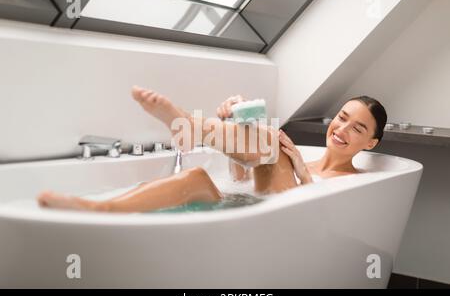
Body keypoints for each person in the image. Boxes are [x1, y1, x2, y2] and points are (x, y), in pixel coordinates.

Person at [37, 87, 386, 213]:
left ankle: (194, 126)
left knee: (271, 140)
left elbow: (323, 215)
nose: (342, 130)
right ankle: (102, 208)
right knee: (195, 176)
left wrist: (300, 168)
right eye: (341, 118)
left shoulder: (358, 178)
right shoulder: (303, 156)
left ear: (371, 143)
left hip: (278, 216)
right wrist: (236, 134)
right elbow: (241, 180)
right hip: (246, 204)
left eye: (358, 128)